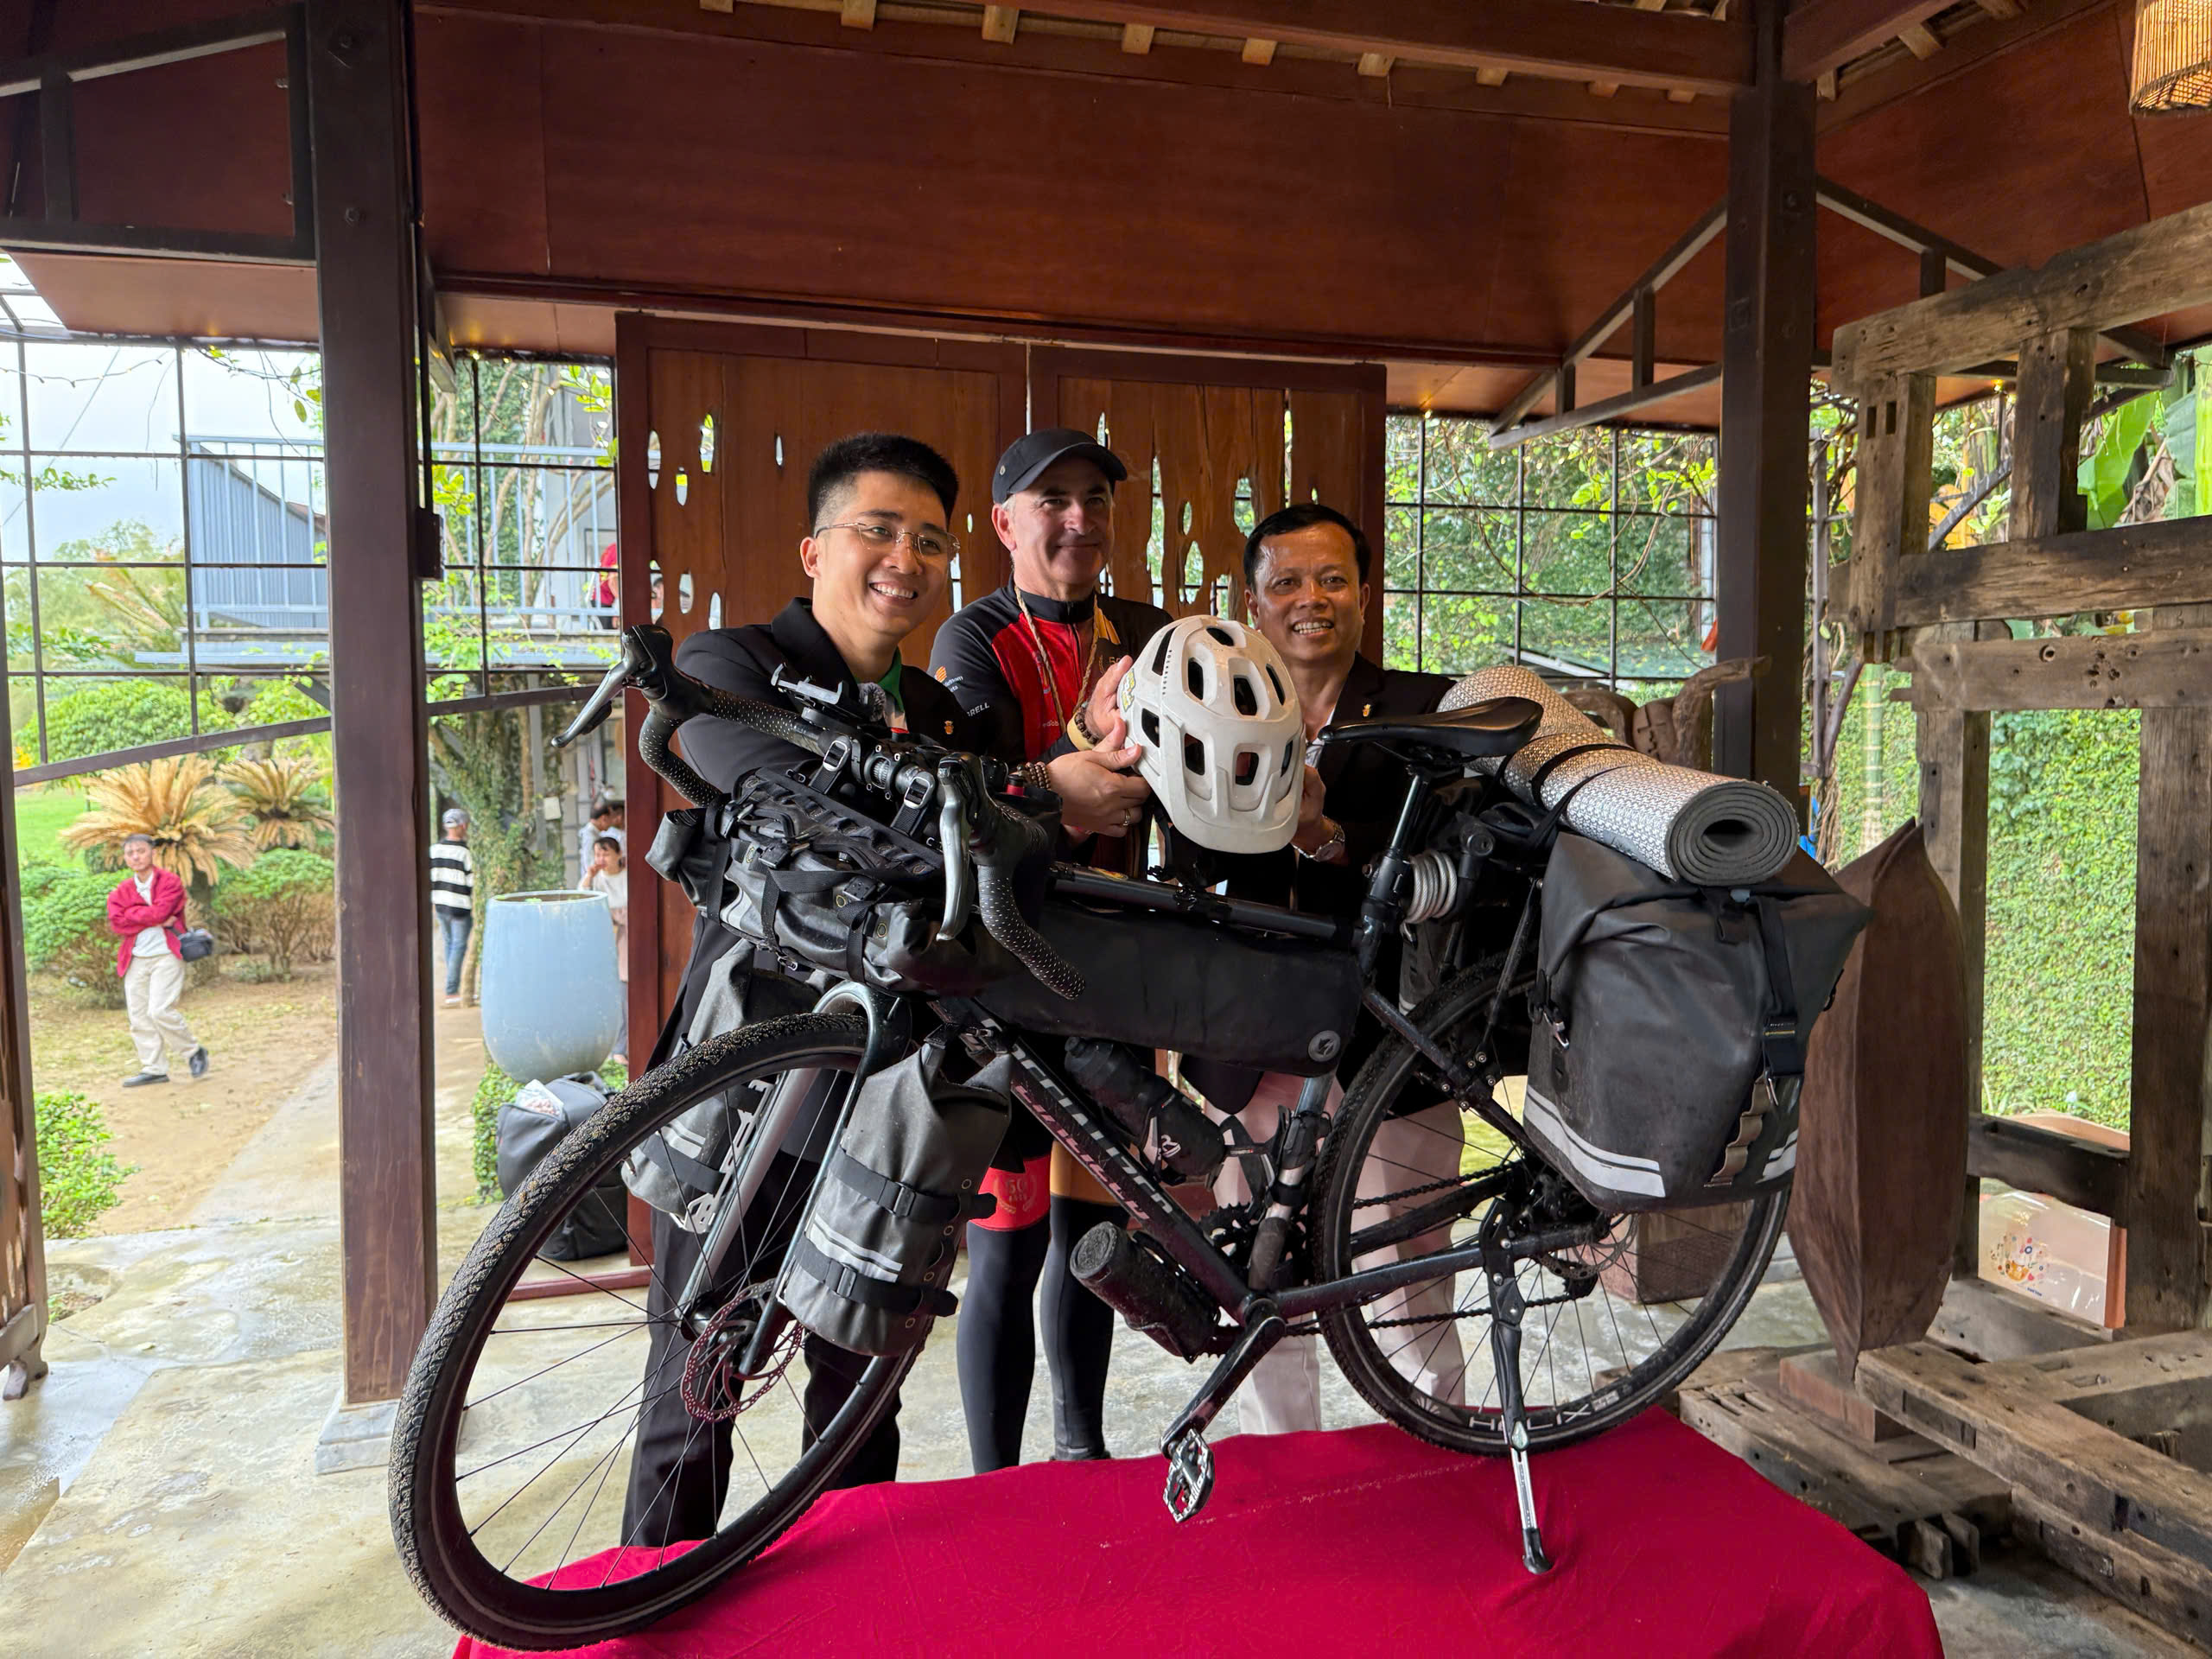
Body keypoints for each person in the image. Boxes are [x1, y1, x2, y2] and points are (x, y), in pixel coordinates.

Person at [622, 431, 985, 1548]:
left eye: (929, 540)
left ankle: (850, 1600)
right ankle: (653, 1596)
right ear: (815, 549)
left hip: (890, 1097)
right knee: (696, 1373)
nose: (904, 559)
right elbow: (774, 792)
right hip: (751, 1079)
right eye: (878, 529)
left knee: (859, 1385)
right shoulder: (731, 665)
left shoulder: (942, 712)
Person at [929, 428, 1165, 1471]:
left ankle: (1083, 1451)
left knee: (1095, 1240)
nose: (1078, 519)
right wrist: (1075, 751)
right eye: (1052, 500)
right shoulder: (971, 639)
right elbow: (981, 795)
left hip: (1116, 969)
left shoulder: (1148, 634)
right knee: (1008, 1246)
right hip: (1006, 971)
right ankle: (995, 1480)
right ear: (1004, 523)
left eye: (1096, 499)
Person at [1210, 501, 1459, 1433]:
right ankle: (1284, 1456)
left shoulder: (1428, 710)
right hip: (1253, 1033)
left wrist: (1324, 836)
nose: (1309, 599)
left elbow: (1450, 868)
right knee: (1260, 1267)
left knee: (1409, 1262)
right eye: (1285, 582)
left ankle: (1434, 1440)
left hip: (1394, 1031)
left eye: (1331, 579)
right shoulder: (1218, 705)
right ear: (1254, 602)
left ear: (1363, 592)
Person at [106, 834, 207, 1086]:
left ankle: (193, 1052)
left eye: (140, 851)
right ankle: (154, 1069)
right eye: (130, 853)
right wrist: (151, 917)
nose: (136, 857)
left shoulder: (170, 882)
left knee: (160, 1010)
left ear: (153, 853)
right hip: (136, 957)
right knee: (139, 1016)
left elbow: (162, 911)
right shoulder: (122, 890)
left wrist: (134, 914)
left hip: (167, 954)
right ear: (125, 858)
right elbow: (117, 923)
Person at [582, 835, 629, 1066]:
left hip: (627, 938)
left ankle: (622, 1047)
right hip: (607, 940)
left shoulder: (628, 875)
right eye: (598, 854)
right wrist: (589, 876)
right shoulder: (596, 880)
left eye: (606, 853)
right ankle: (617, 1048)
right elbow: (583, 899)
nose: (601, 858)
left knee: (626, 993)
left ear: (619, 854)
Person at [430, 808, 474, 1008]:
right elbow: (471, 881)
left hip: (440, 905)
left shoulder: (434, 850)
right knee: (458, 946)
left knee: (449, 944)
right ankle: (452, 990)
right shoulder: (464, 852)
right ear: (463, 826)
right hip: (460, 907)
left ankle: (452, 989)